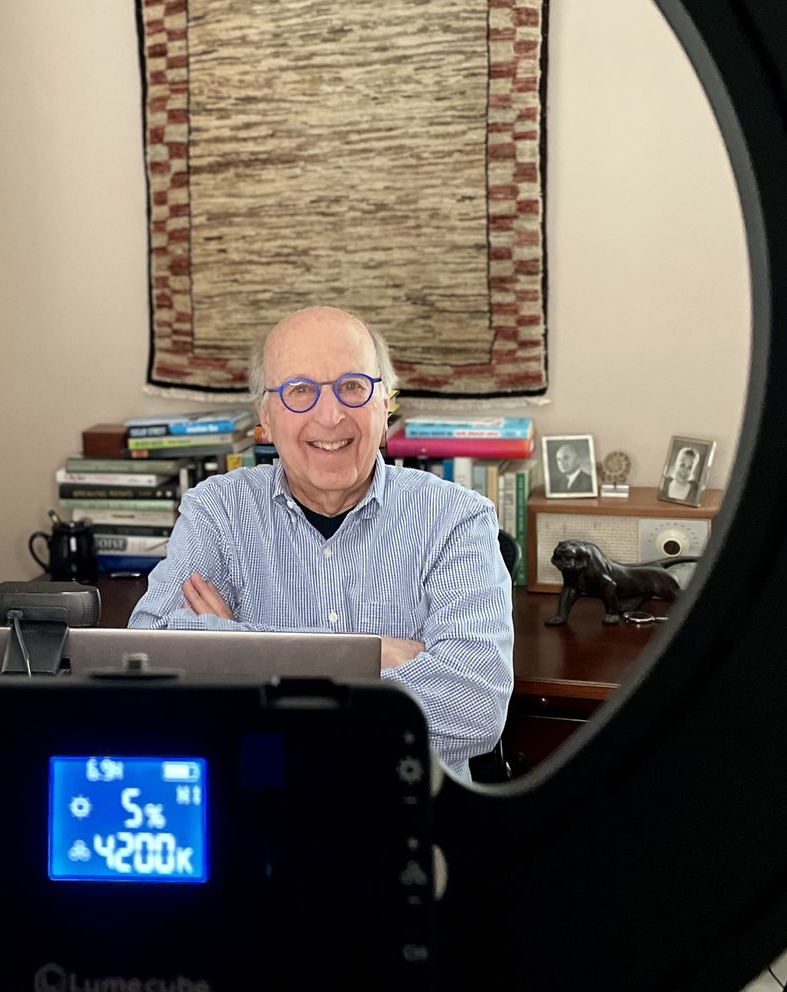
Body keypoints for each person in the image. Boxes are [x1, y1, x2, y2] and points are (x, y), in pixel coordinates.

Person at [128, 306, 514, 780]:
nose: (329, 416)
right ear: (265, 417)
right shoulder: (218, 510)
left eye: (352, 386)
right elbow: (153, 662)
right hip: (253, 812)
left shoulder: (457, 519)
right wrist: (370, 655)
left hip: (398, 818)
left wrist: (235, 649)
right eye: (300, 391)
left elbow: (475, 708)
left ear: (386, 404)